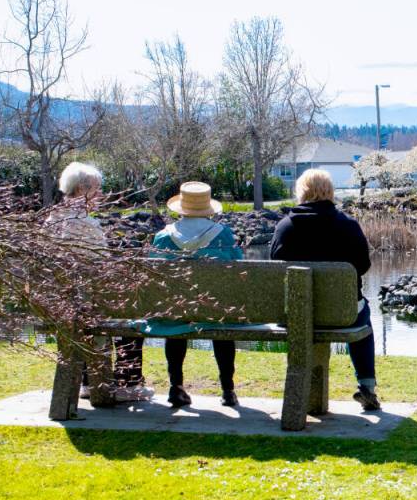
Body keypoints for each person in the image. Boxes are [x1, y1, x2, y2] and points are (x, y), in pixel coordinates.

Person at [269, 169, 380, 411]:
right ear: (330, 191)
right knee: (364, 316)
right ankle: (367, 386)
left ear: (301, 193)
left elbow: (274, 270)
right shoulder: (348, 226)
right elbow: (363, 266)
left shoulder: (284, 228)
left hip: (295, 316)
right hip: (344, 315)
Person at [47, 162, 152, 403]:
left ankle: (86, 381)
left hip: (61, 305)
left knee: (85, 312)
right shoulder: (86, 225)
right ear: (83, 189)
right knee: (131, 317)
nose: (101, 194)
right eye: (97, 188)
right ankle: (128, 383)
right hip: (89, 303)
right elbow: (102, 272)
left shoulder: (51, 222)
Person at [150, 181, 243, 408]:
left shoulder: (163, 237)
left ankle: (176, 386)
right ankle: (227, 389)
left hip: (176, 310)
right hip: (215, 310)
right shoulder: (224, 236)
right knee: (221, 317)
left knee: (175, 316)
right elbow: (240, 271)